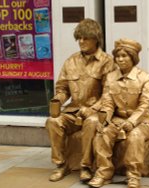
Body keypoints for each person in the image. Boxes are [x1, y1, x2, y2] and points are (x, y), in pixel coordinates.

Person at [45, 18, 115, 182]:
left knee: (91, 122)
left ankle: (86, 166)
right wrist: (58, 101)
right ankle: (61, 165)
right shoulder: (71, 61)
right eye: (79, 38)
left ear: (96, 38)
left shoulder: (107, 62)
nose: (81, 42)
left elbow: (109, 93)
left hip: (96, 111)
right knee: (53, 122)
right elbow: (62, 88)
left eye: (85, 38)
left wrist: (93, 109)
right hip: (73, 111)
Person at [88, 38, 149, 188]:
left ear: (133, 57)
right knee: (103, 133)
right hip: (118, 120)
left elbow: (144, 105)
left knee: (135, 136)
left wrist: (132, 121)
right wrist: (105, 119)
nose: (120, 60)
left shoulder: (145, 77)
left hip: (142, 121)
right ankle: (103, 173)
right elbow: (107, 103)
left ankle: (133, 175)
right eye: (117, 56)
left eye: (124, 56)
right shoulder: (110, 77)